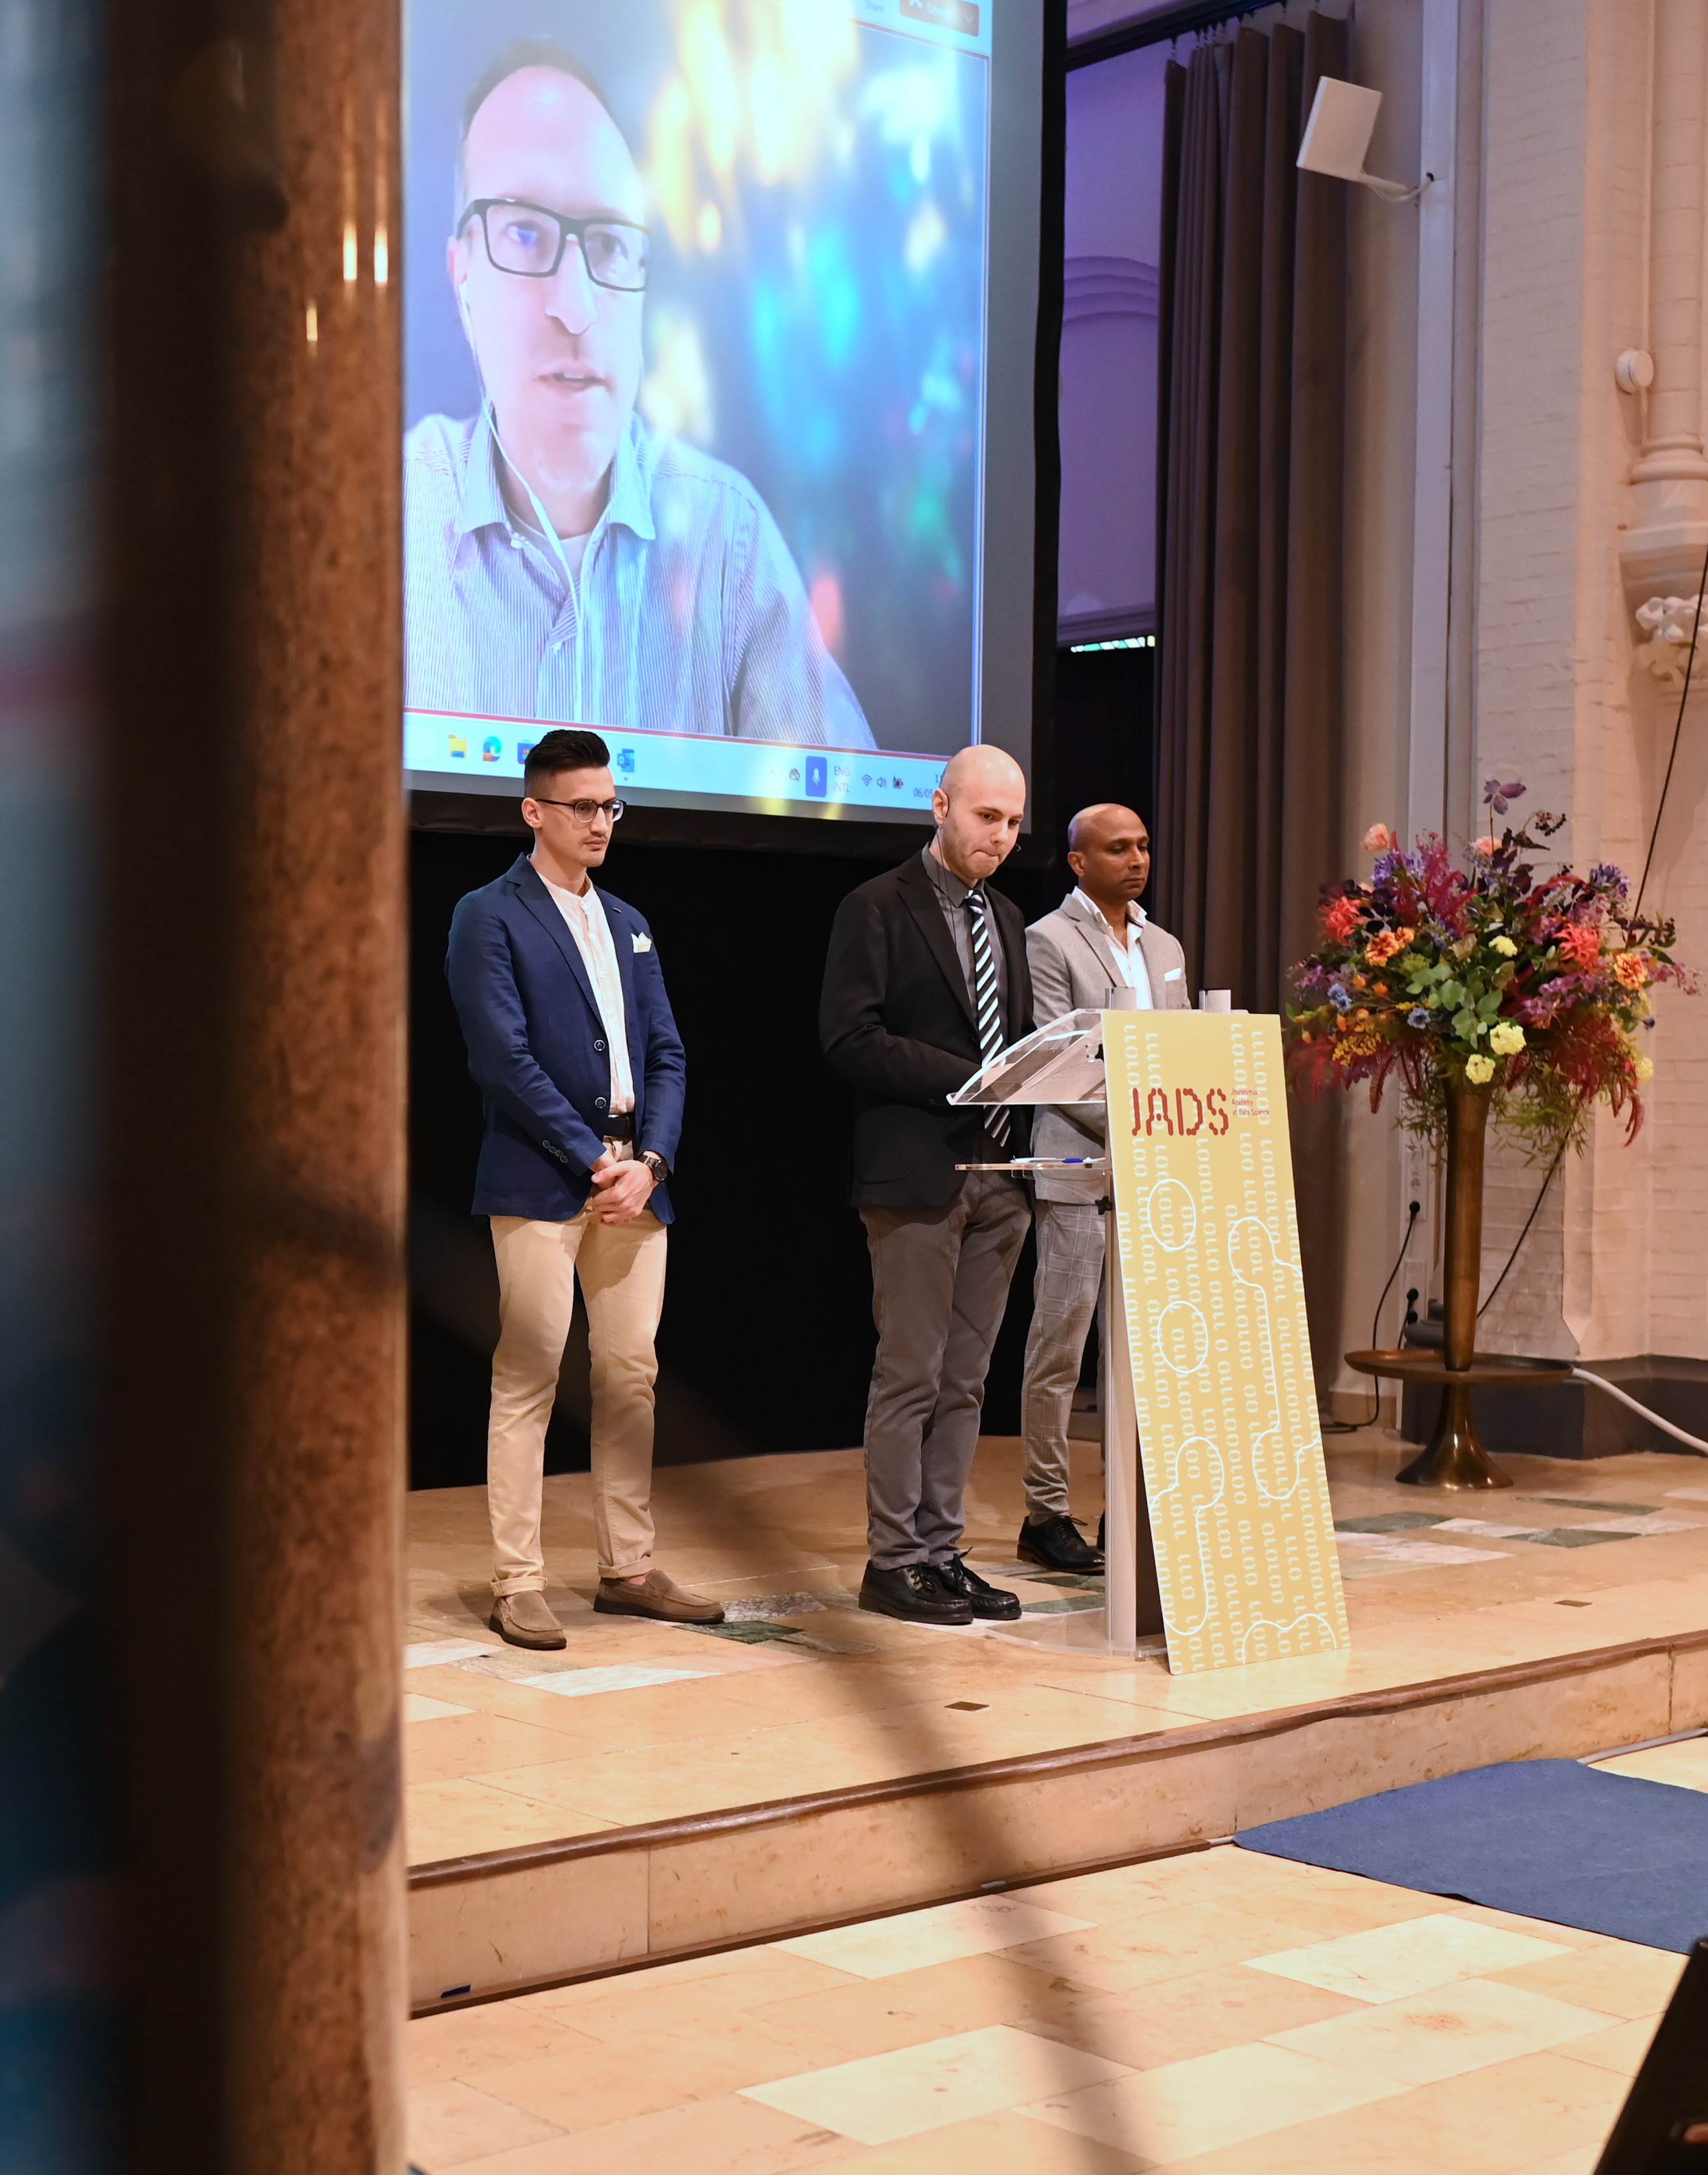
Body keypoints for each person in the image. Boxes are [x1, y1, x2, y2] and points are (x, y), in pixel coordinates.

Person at [403, 43, 874, 750]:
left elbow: (842, 802)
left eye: (609, 245)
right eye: (525, 233)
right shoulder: (385, 518)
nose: (577, 307)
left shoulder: (726, 539)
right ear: (461, 272)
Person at [443, 727, 721, 1650]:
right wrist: (592, 1159)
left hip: (636, 1182)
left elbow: (668, 1052)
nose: (600, 821)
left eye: (610, 805)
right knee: (529, 1373)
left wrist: (652, 1162)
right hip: (541, 1176)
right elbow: (501, 1058)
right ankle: (518, 1579)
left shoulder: (629, 918)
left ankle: (627, 1568)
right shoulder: (489, 913)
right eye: (582, 806)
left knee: (631, 1372)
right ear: (535, 811)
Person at [818, 743, 1036, 1625]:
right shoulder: (876, 905)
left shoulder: (1007, 915)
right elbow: (847, 1037)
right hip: (915, 1174)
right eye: (987, 817)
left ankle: (942, 1551)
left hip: (999, 1175)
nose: (1001, 836)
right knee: (909, 1372)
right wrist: (968, 1077)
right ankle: (893, 1558)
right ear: (939, 806)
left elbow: (1010, 1036)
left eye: (1013, 823)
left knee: (966, 1379)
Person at [1012, 804, 1190, 1572]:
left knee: (1144, 1353)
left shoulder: (1165, 945)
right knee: (1060, 1348)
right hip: (1078, 1168)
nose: (1136, 858)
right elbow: (1058, 1063)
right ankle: (1045, 1513)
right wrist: (1136, 1125)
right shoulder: (1047, 940)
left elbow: (1180, 1049)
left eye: (1143, 846)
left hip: (1154, 1177)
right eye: (1118, 848)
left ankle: (1131, 1505)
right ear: (1079, 861)